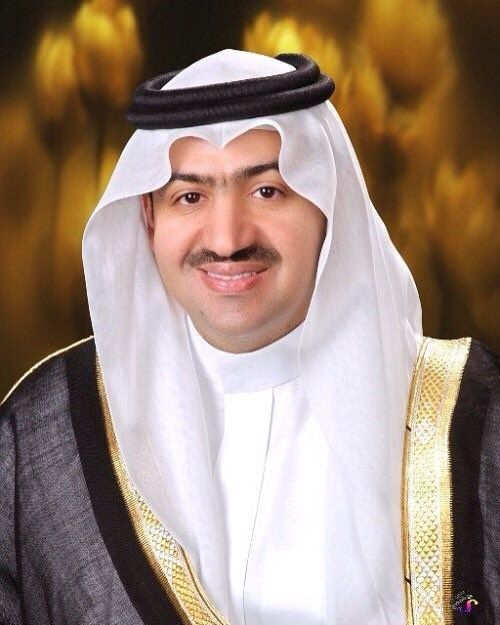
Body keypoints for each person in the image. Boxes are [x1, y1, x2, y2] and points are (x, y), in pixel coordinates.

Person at [0, 49, 497, 625]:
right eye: (190, 197)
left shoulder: (476, 418)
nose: (227, 239)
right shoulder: (45, 434)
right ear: (149, 218)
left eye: (267, 191)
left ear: (328, 205)